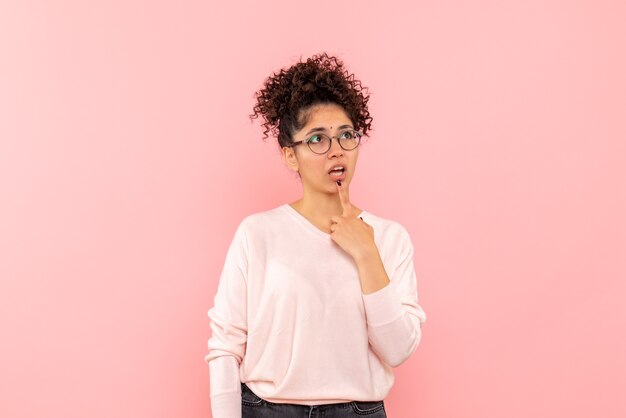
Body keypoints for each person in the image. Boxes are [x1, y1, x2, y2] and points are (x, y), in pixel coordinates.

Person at [204, 52, 427, 418]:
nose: (336, 150)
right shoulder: (257, 233)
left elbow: (398, 349)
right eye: (317, 139)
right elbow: (225, 345)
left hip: (358, 411)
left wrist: (367, 254)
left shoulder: (389, 238)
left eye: (346, 135)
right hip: (268, 410)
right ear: (290, 156)